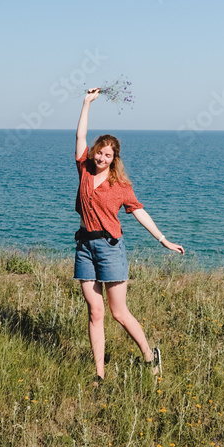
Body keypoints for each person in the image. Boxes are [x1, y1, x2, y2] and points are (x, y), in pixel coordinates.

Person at [74, 87, 185, 385]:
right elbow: (79, 138)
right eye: (99, 151)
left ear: (113, 158)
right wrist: (87, 103)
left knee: (118, 312)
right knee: (95, 313)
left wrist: (163, 240)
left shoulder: (120, 185)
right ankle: (99, 373)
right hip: (84, 247)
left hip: (110, 248)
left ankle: (150, 356)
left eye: (107, 154)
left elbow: (138, 211)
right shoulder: (84, 170)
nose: (101, 156)